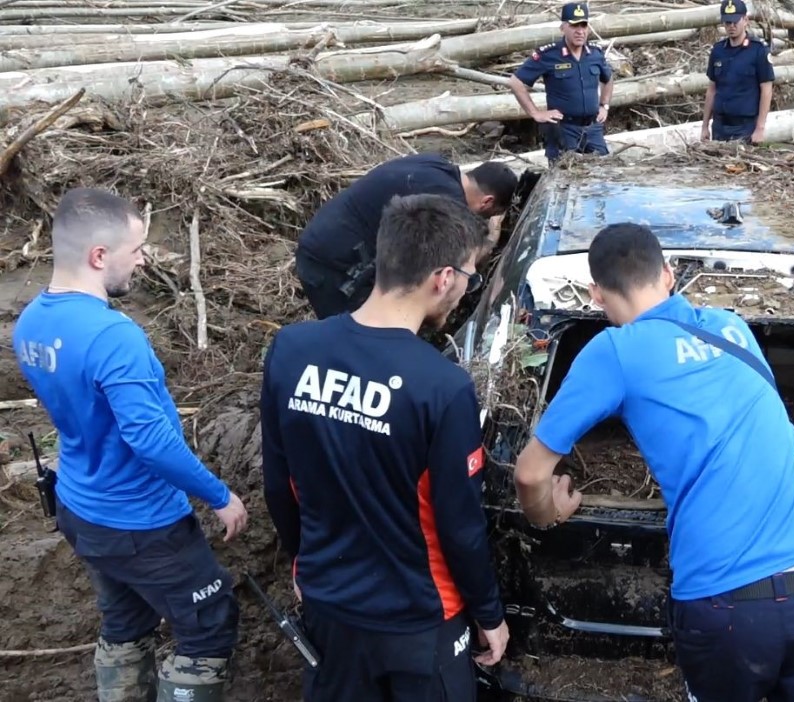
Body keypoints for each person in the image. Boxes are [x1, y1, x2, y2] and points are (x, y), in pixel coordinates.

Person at [512, 223, 794, 700]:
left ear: (596, 294)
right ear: (668, 274)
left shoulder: (615, 351)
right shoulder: (732, 327)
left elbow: (530, 473)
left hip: (727, 601)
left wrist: (546, 513)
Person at [261, 194, 509, 701]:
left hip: (329, 609)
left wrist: (305, 564)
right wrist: (489, 612)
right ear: (443, 278)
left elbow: (279, 484)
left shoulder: (291, 349)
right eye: (469, 275)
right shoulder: (442, 388)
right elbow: (460, 525)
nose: (466, 288)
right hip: (420, 620)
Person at [11, 188, 249, 702]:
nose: (142, 260)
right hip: (142, 522)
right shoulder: (113, 337)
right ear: (99, 256)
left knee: (124, 620)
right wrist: (219, 495)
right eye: (136, 249)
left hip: (80, 508)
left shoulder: (30, 323)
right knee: (209, 628)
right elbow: (151, 441)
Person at [294, 153, 516, 319]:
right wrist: (491, 238)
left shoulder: (436, 164)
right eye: (488, 215)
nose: (483, 219)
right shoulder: (448, 203)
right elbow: (459, 260)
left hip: (323, 233)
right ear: (487, 202)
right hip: (331, 262)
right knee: (353, 332)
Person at [508, 2, 615, 161]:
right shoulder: (549, 55)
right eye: (574, 26)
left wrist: (604, 105)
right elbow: (515, 82)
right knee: (563, 173)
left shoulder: (595, 54)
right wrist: (535, 113)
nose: (580, 31)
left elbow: (608, 77)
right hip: (563, 130)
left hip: (593, 129)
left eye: (583, 26)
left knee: (604, 170)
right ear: (563, 28)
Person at [701, 0, 775, 144]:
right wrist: (705, 126)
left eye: (735, 21)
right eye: (728, 22)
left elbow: (766, 90)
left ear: (745, 20)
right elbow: (712, 90)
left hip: (745, 126)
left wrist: (760, 128)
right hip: (719, 125)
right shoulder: (718, 50)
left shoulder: (758, 50)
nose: (731, 26)